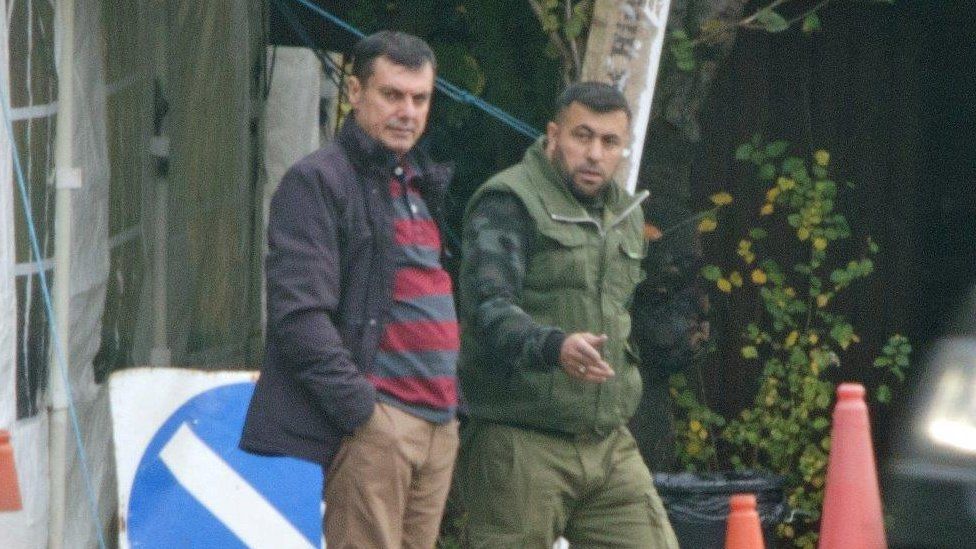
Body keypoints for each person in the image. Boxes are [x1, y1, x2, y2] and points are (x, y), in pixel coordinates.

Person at [240, 31, 459, 549]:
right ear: (355, 92)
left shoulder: (420, 180)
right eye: (392, 95)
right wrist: (365, 413)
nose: (407, 111)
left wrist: (449, 412)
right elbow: (298, 318)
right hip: (381, 424)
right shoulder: (317, 180)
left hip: (438, 422)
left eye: (420, 98)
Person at [456, 81, 679, 548]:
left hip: (606, 440)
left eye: (609, 142)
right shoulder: (509, 201)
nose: (595, 154)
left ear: (623, 148)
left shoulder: (626, 212)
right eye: (583, 136)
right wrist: (554, 346)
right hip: (520, 438)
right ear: (554, 135)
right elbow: (488, 310)